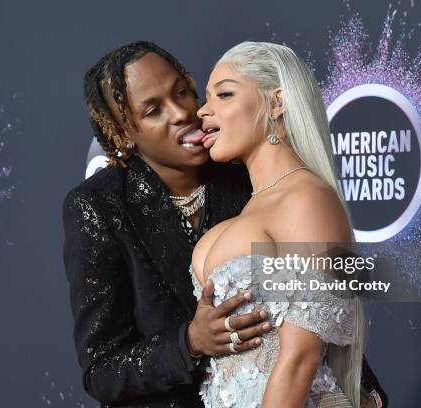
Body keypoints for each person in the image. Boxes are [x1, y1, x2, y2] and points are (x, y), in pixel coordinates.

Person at [62, 41, 387, 408]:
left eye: (183, 92)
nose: (185, 112)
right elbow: (103, 370)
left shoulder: (247, 167)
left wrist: (357, 395)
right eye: (153, 110)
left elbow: (310, 321)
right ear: (124, 136)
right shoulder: (101, 205)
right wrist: (189, 343)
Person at [192, 41, 369, 408]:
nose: (203, 111)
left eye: (224, 94)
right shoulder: (253, 207)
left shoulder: (306, 200)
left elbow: (300, 358)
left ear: (276, 102)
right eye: (206, 97)